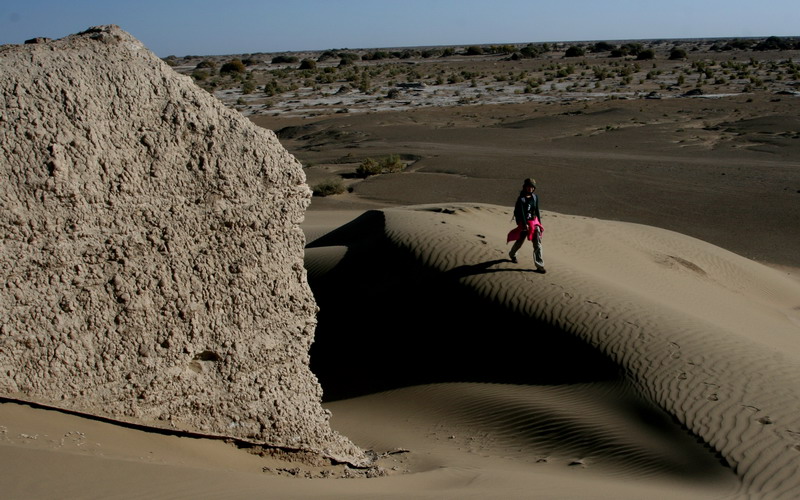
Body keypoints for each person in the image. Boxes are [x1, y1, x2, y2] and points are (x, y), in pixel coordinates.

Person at [507, 178, 545, 273]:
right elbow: (522, 213)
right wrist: (524, 224)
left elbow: (537, 211)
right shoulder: (521, 199)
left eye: (532, 187)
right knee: (519, 242)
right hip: (524, 224)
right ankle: (512, 254)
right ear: (525, 187)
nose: (530, 189)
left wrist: (539, 223)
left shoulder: (535, 198)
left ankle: (539, 265)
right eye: (528, 187)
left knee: (537, 245)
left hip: (534, 223)